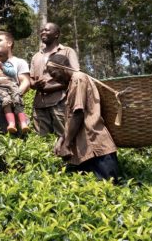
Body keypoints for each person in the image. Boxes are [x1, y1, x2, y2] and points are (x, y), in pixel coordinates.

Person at [48, 54, 119, 182]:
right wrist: (62, 139)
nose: (54, 79)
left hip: (96, 148)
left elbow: (78, 113)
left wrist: (67, 144)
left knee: (109, 190)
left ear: (62, 67)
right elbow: (71, 117)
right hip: (84, 150)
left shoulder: (78, 79)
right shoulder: (73, 82)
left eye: (54, 74)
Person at [30, 23, 79, 137]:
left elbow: (75, 76)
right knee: (40, 140)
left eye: (47, 30)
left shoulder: (67, 51)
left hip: (61, 102)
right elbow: (31, 80)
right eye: (42, 30)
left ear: (56, 34)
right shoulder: (36, 56)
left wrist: (51, 87)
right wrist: (35, 85)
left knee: (64, 137)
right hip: (39, 105)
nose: (43, 32)